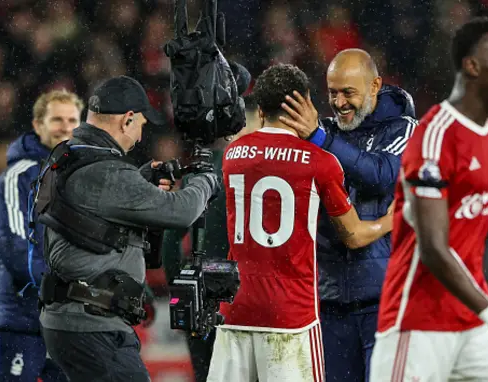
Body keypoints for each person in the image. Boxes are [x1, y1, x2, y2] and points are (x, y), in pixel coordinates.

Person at [369, 17, 488, 381]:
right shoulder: (436, 137)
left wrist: (486, 314)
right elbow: (433, 248)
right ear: (472, 65)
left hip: (470, 317)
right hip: (418, 320)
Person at [207, 63, 393, 382]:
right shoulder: (321, 163)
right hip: (290, 314)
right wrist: (392, 219)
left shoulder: (233, 155)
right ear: (305, 104)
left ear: (261, 110)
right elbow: (354, 235)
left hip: (237, 308)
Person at [37, 76, 220, 382]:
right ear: (127, 120)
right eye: (141, 125)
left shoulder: (68, 155)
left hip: (66, 321)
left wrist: (140, 179)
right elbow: (181, 211)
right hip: (95, 330)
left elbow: (93, 212)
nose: (140, 134)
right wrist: (205, 178)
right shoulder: (110, 173)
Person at [279, 48, 417, 381]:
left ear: (374, 86)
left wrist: (320, 139)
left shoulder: (402, 128)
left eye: (348, 92)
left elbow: (380, 175)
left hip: (383, 304)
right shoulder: (322, 131)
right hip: (329, 304)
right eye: (332, 93)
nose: (339, 102)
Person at [0, 89, 84, 382]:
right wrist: (64, 288)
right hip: (23, 322)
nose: (66, 127)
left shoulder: (84, 176)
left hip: (70, 321)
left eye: (73, 119)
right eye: (57, 119)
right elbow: (14, 249)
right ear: (38, 125)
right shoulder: (18, 177)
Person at [160, 94, 258, 382]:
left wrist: (179, 282)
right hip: (245, 290)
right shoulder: (257, 174)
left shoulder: (198, 172)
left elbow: (170, 238)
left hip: (201, 288)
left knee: (206, 373)